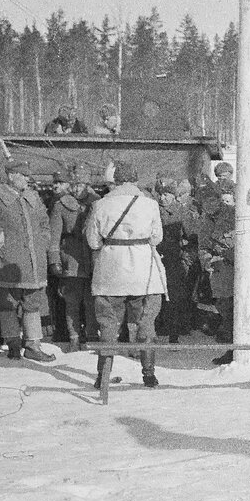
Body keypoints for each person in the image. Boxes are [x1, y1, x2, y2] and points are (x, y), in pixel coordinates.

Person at [85, 161, 167, 388]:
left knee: (109, 325)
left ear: (116, 180)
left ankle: (103, 376)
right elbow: (157, 237)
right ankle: (149, 374)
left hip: (111, 271)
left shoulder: (101, 205)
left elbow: (93, 241)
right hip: (144, 272)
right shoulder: (150, 205)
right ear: (135, 179)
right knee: (145, 323)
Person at [0, 160, 55, 362]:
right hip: (5, 263)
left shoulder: (33, 197)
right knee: (7, 305)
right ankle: (13, 345)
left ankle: (33, 345)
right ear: (13, 176)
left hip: (33, 263)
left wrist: (43, 242)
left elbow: (44, 223)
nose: (27, 179)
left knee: (32, 304)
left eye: (27, 176)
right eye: (23, 176)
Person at [47, 164, 98, 351]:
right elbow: (53, 236)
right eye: (74, 185)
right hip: (71, 259)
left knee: (92, 302)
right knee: (72, 302)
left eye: (82, 185)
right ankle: (74, 336)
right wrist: (54, 260)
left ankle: (92, 335)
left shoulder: (97, 203)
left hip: (92, 258)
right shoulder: (61, 205)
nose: (78, 189)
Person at [198, 179, 237, 362]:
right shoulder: (205, 220)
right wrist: (207, 260)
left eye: (213, 200)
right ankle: (231, 351)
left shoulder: (233, 214)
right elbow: (203, 246)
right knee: (225, 309)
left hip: (237, 270)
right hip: (220, 273)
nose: (210, 204)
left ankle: (237, 351)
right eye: (206, 202)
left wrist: (225, 253)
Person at [154, 177, 194, 344]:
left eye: (167, 194)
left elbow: (192, 237)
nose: (163, 198)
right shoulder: (152, 210)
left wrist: (186, 260)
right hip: (155, 258)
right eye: (161, 194)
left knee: (174, 297)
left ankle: (174, 333)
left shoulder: (182, 212)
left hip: (174, 260)